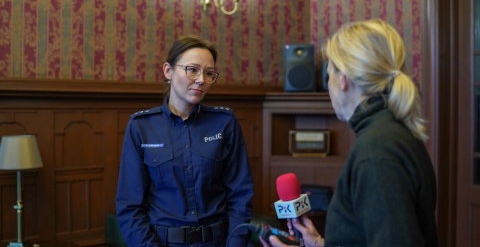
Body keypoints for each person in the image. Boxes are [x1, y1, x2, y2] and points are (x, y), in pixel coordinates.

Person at [261, 18, 439, 247]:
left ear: (342, 78)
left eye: (329, 76)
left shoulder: (376, 151)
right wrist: (318, 243)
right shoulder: (392, 133)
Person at [116, 35, 254, 246]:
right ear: (168, 71)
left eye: (209, 73)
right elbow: (129, 207)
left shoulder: (224, 122)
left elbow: (241, 195)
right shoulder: (141, 126)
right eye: (192, 69)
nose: (201, 79)